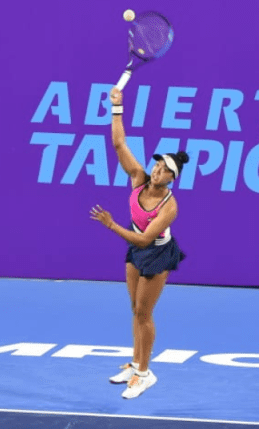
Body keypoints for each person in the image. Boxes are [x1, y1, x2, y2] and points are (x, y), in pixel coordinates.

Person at [89, 86, 188, 400]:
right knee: (135, 309)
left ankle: (145, 374)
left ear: (173, 178)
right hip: (136, 250)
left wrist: (111, 225)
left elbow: (146, 239)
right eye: (157, 165)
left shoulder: (169, 206)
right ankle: (135, 363)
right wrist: (116, 108)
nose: (158, 170)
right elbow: (119, 143)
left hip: (156, 253)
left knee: (145, 314)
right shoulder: (138, 178)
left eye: (165, 170)